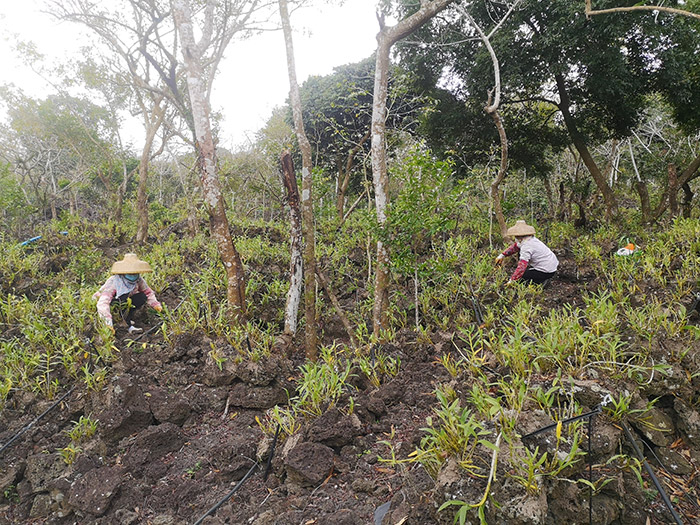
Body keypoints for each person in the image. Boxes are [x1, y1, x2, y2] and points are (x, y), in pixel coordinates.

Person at [94, 253, 162, 333]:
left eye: (135, 273)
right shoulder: (115, 282)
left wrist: (155, 304)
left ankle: (127, 318)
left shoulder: (138, 280)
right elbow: (103, 302)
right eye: (130, 273)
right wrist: (107, 322)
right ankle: (127, 325)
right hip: (112, 304)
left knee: (141, 297)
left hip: (126, 302)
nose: (133, 275)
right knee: (124, 298)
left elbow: (148, 292)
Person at [495, 220, 558, 285]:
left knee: (521, 279)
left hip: (546, 270)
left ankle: (541, 282)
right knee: (527, 273)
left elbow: (522, 266)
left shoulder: (527, 246)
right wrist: (502, 255)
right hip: (551, 266)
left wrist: (512, 280)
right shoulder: (530, 239)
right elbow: (515, 247)